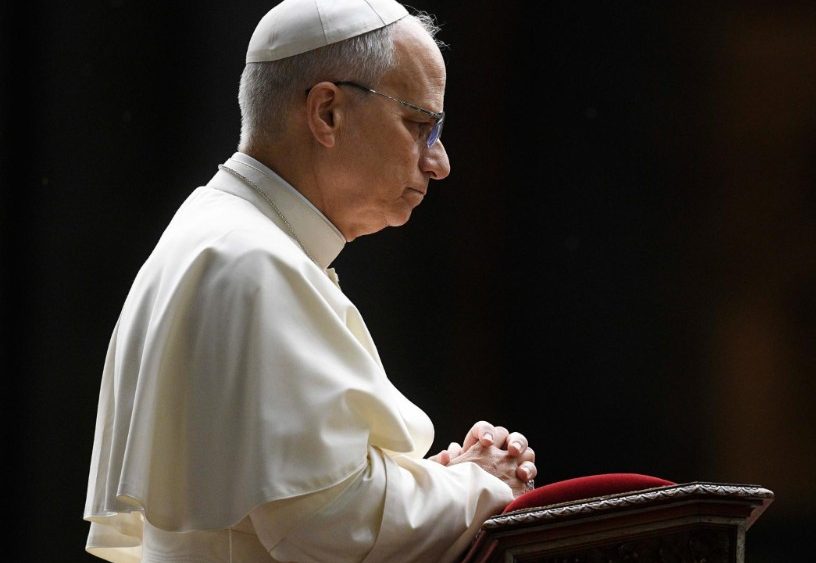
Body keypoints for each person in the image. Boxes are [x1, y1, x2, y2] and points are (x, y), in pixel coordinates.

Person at [83, 0, 537, 561]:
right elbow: (330, 524)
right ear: (327, 113)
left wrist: (433, 480)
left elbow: (295, 498)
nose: (437, 162)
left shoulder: (215, 234)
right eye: (420, 125)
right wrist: (481, 486)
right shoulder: (252, 261)